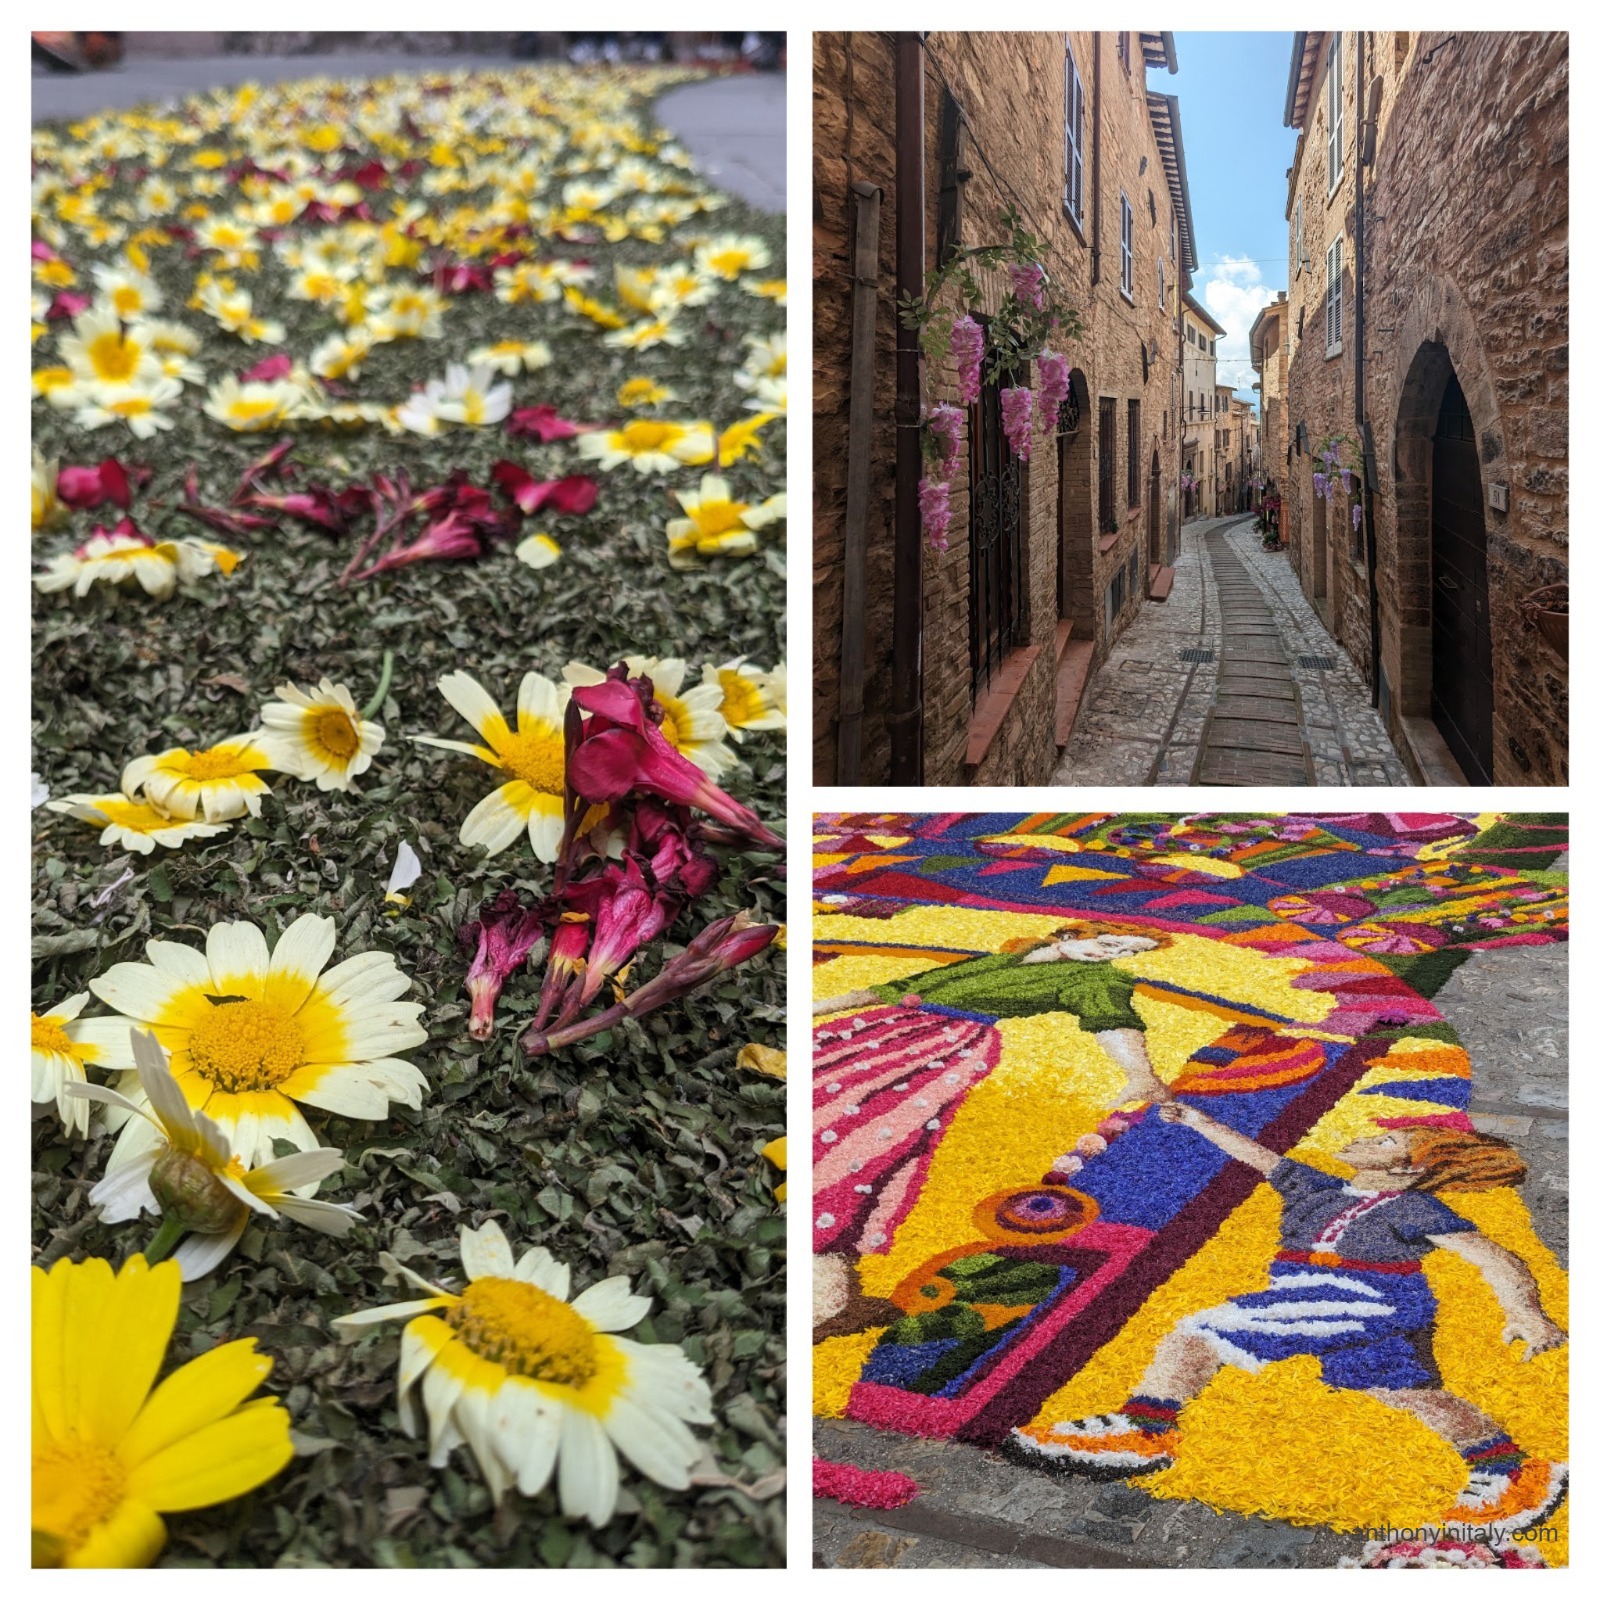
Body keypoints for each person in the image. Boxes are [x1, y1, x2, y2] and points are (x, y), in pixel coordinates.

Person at [1008, 1104, 1567, 1540]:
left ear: (1407, 1167)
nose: (1367, 1137)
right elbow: (1258, 1155)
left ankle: (1145, 1428)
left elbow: (1493, 1256)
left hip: (1361, 1297)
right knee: (1402, 1390)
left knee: (1201, 1330)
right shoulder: (1316, 1188)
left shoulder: (1411, 1208)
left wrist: (1525, 1312)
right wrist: (1197, 1119)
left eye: (1386, 1140)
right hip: (1342, 1299)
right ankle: (1510, 1468)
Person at [812, 922, 1172, 1339]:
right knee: (829, 1116)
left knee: (868, 1142)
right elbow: (898, 987)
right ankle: (830, 1288)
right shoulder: (1003, 960)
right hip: (880, 1029)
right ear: (1070, 935)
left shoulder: (1096, 977)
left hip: (937, 1046)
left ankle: (828, 1290)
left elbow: (1112, 1018)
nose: (1112, 954)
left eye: (1127, 952)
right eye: (1109, 943)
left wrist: (1140, 1073)